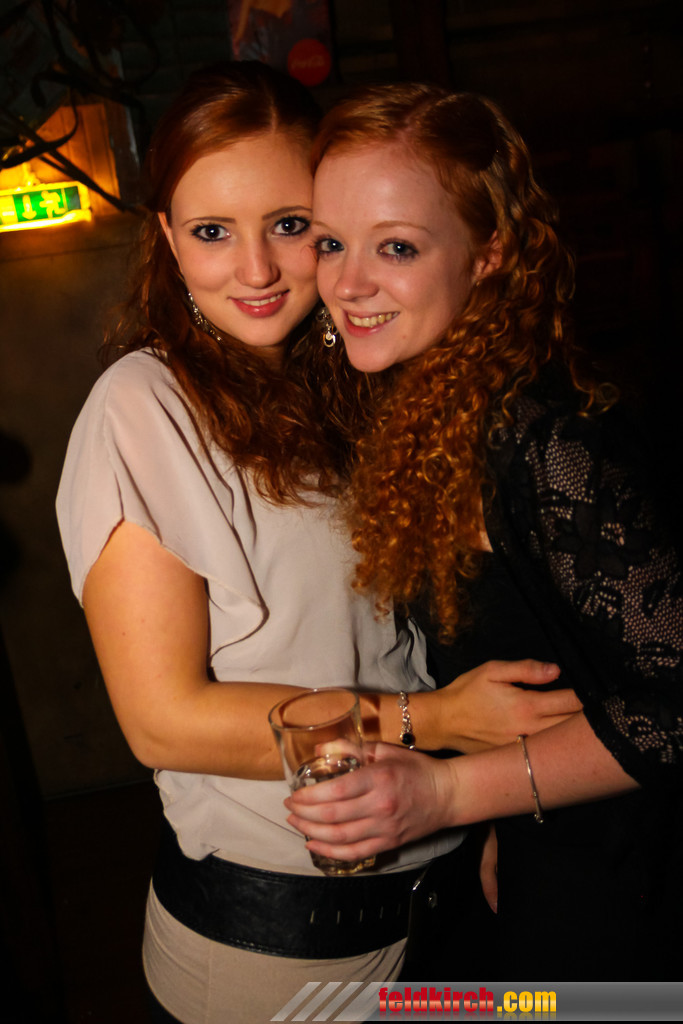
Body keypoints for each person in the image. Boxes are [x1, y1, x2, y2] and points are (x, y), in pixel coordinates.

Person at [55, 66, 579, 1022]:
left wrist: (485, 802)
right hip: (283, 952)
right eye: (212, 231)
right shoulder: (142, 408)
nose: (256, 269)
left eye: (290, 225)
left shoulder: (364, 376)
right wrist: (436, 722)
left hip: (446, 895)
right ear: (166, 237)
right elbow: (164, 721)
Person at [286, 82, 683, 980]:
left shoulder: (552, 441)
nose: (346, 284)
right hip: (546, 847)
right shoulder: (428, 403)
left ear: (490, 251)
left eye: (396, 246)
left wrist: (448, 792)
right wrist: (504, 818)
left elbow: (673, 706)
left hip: (633, 889)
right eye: (331, 242)